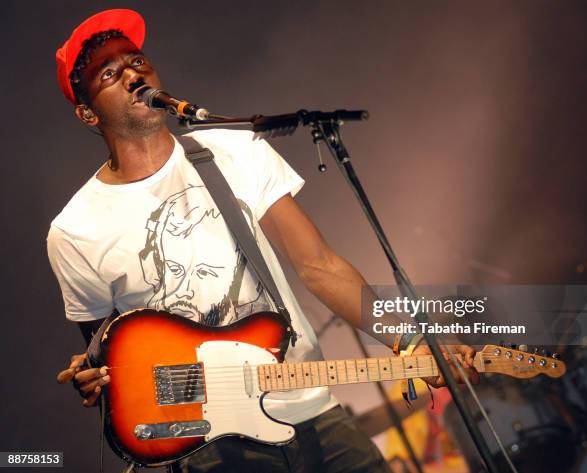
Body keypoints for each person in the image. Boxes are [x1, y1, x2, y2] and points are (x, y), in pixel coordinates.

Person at [49, 9, 478, 473]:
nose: (132, 72)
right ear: (88, 112)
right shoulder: (76, 229)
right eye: (109, 73)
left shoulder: (235, 151)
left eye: (136, 60)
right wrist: (94, 380)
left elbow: (320, 265)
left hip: (310, 410)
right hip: (206, 446)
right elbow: (108, 356)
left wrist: (410, 340)